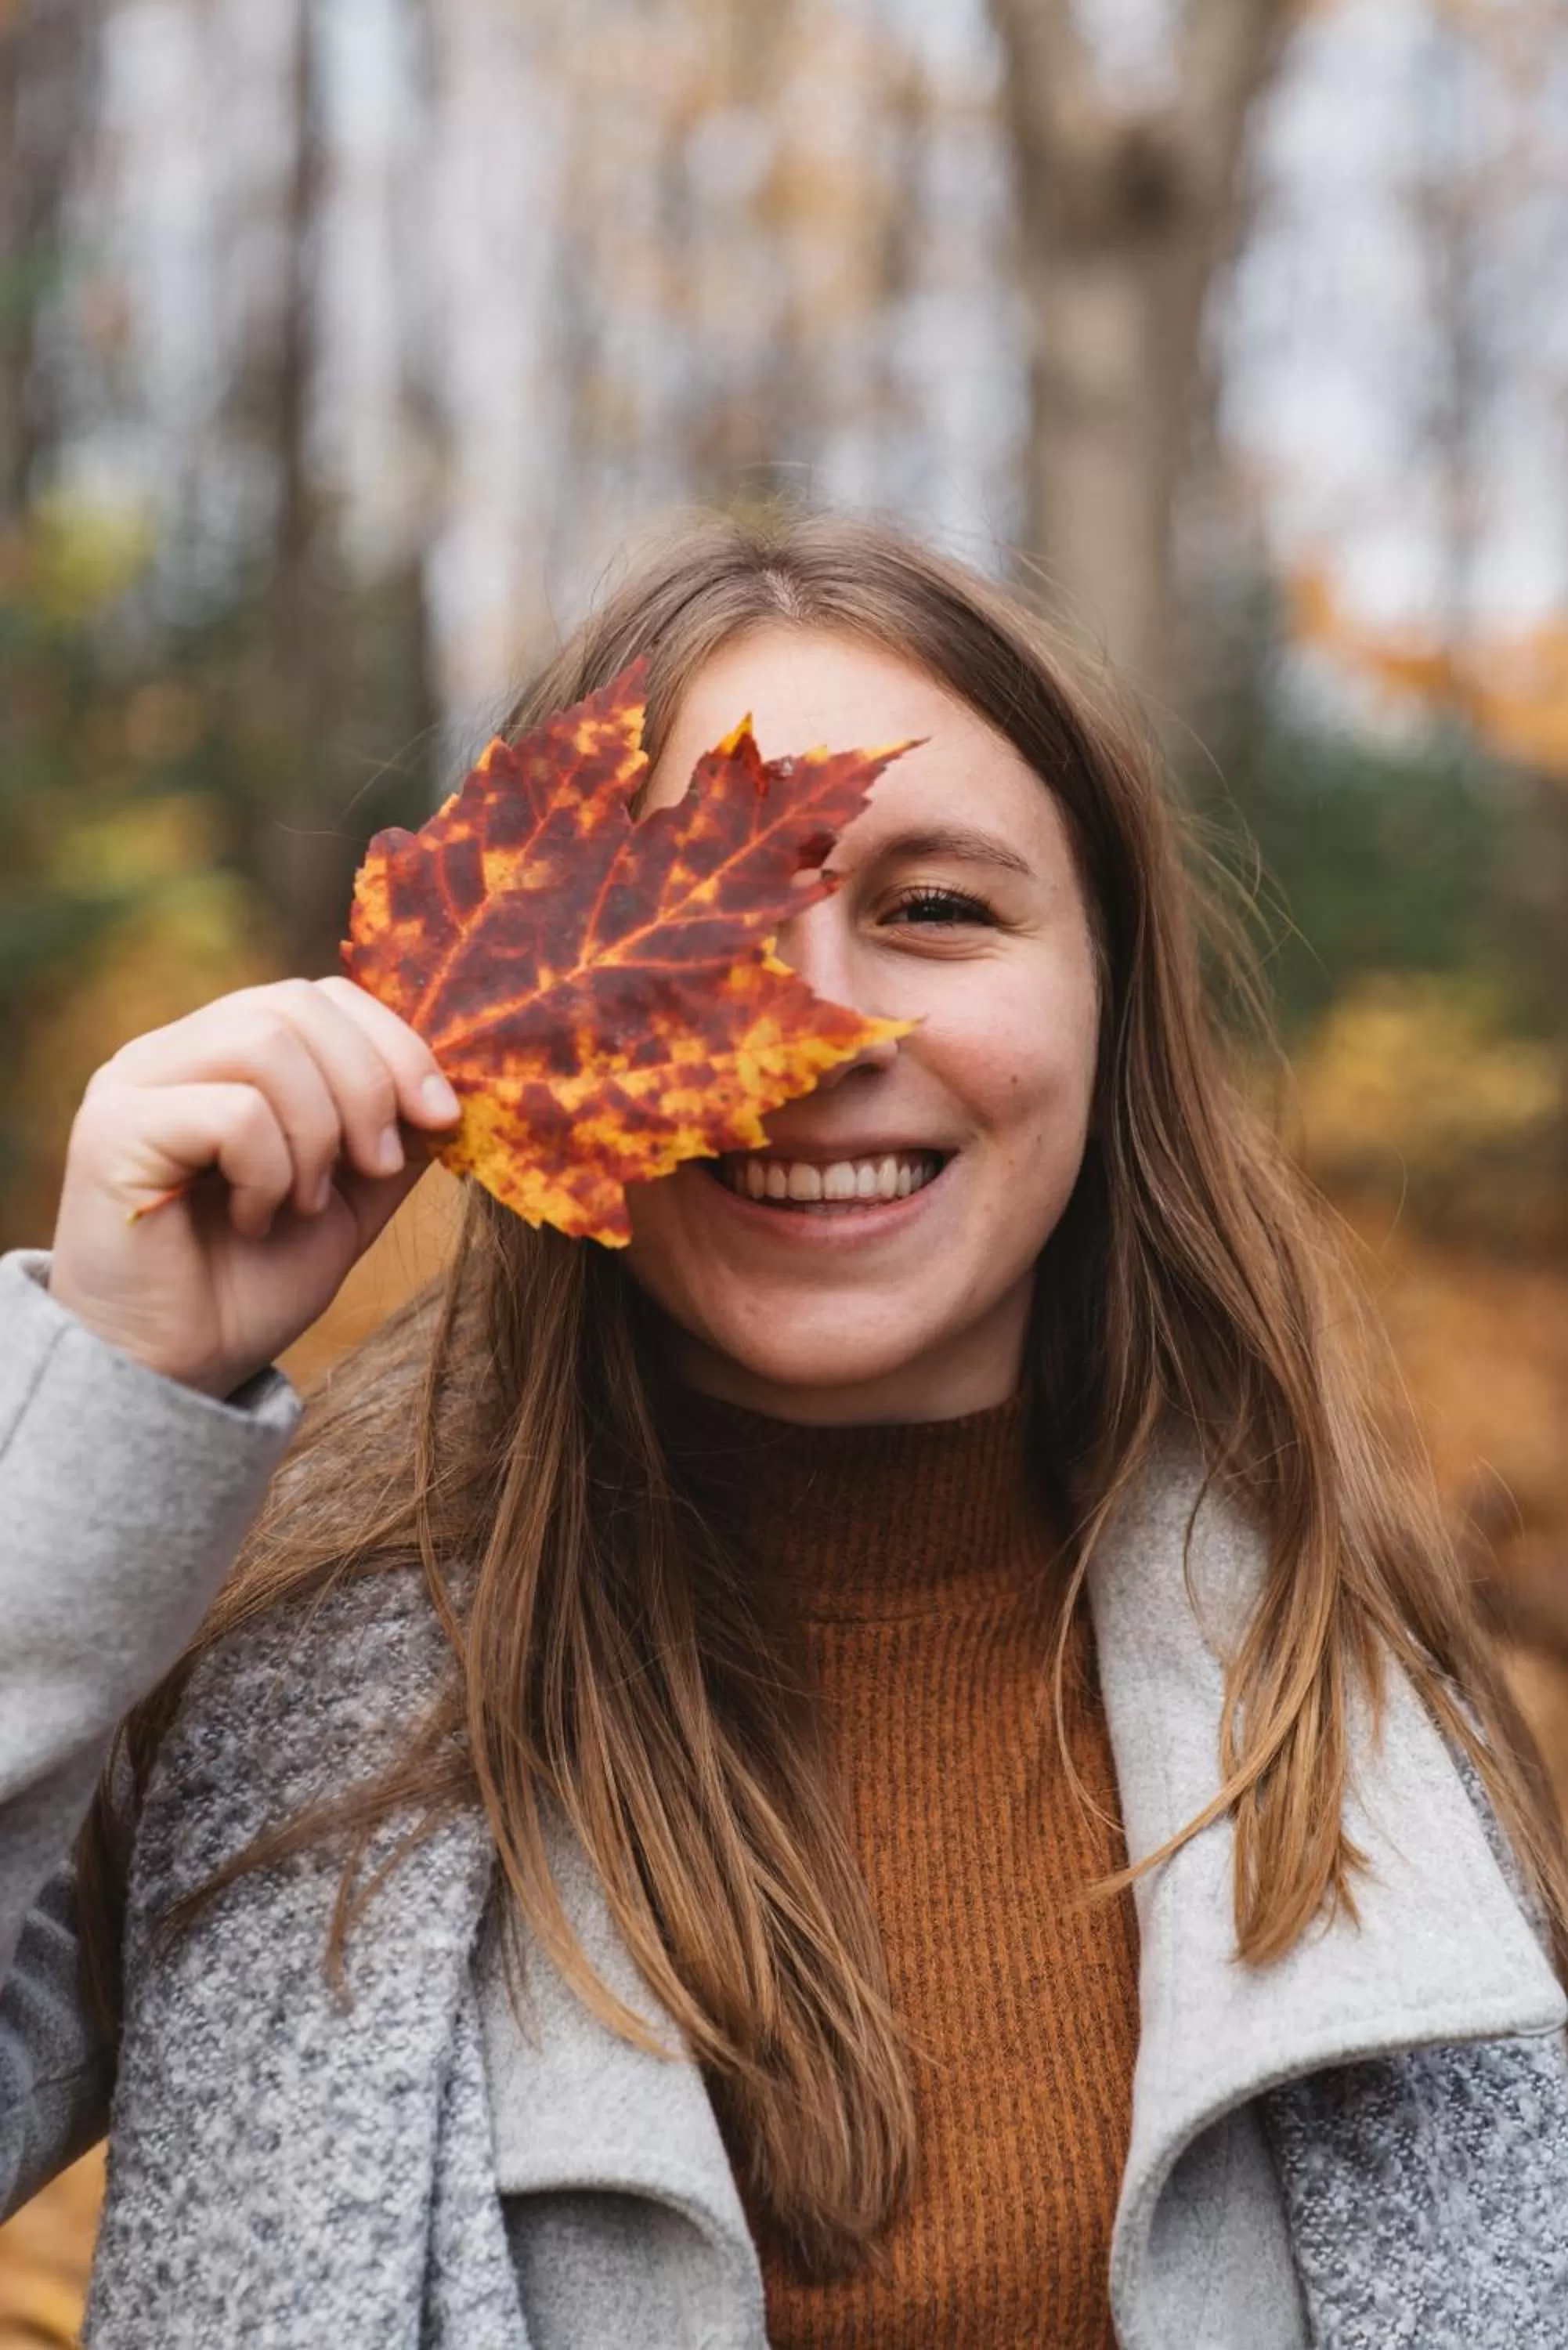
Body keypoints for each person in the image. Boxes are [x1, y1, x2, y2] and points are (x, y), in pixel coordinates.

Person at [3, 510, 1566, 2350]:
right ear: (510, 1024)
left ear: (1110, 1001)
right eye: (704, 929)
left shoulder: (1370, 1714)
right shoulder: (256, 1695)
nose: (809, 1032)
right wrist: (106, 1419)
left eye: (932, 909)